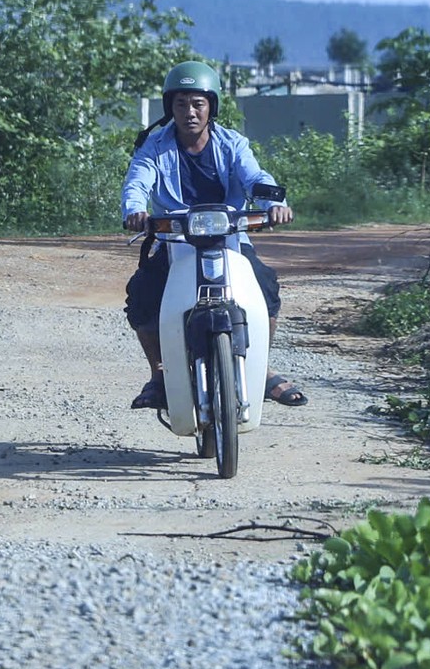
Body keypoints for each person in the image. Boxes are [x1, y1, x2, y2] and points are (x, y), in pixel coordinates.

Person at [120, 60, 307, 410]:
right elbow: (137, 181)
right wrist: (135, 210)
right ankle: (159, 373)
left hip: (231, 236)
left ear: (212, 107)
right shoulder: (153, 146)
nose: (189, 112)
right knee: (143, 293)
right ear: (169, 107)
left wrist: (275, 204)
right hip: (174, 238)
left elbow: (256, 177)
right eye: (181, 104)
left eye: (197, 103)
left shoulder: (232, 144)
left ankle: (261, 368)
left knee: (264, 286)